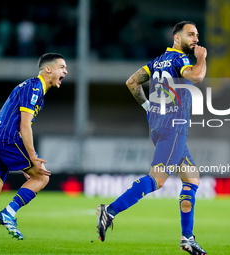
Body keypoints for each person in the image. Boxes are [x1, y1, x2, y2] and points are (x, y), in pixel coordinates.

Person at [97, 21, 207, 255]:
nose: (196, 39)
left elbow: (132, 82)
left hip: (159, 126)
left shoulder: (157, 62)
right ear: (176, 38)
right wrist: (202, 57)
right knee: (157, 180)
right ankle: (110, 211)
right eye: (190, 35)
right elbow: (197, 77)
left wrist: (148, 106)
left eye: (197, 35)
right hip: (174, 128)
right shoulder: (182, 59)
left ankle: (187, 237)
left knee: (192, 179)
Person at [0, 53, 68, 252]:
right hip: (5, 140)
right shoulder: (35, 87)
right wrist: (32, 158)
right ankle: (9, 213)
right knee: (42, 176)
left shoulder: (30, 88)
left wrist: (24, 161)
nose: (65, 71)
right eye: (62, 67)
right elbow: (24, 127)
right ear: (48, 69)